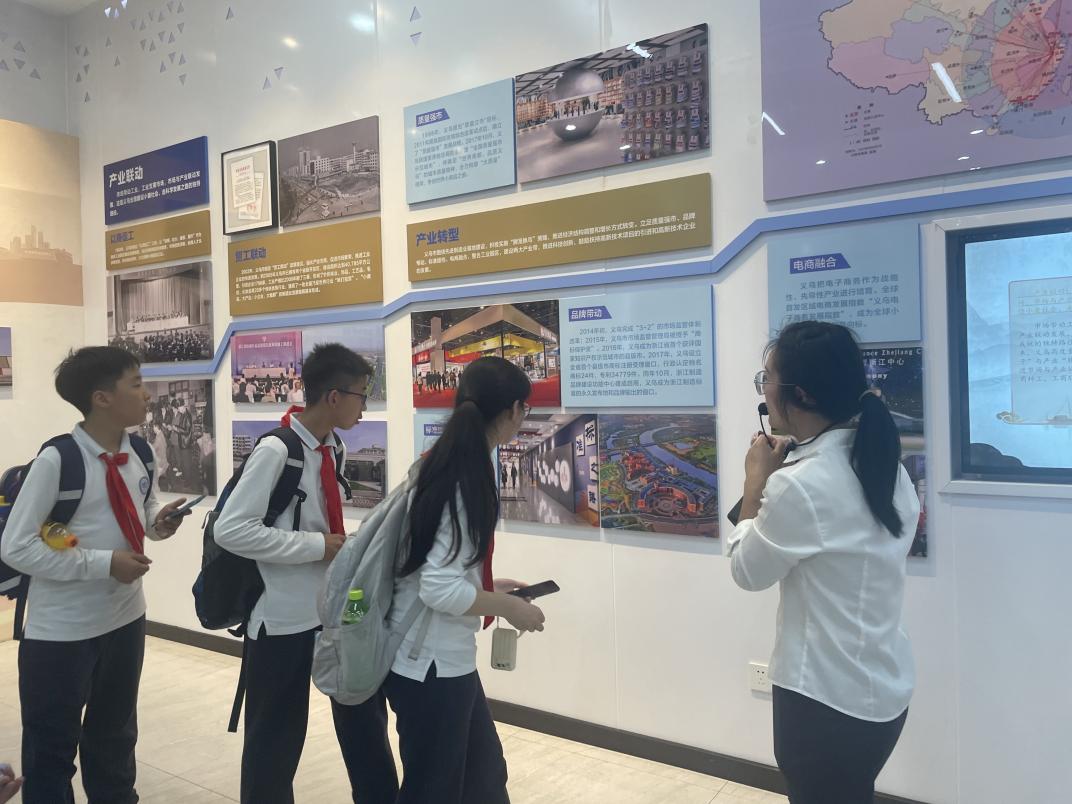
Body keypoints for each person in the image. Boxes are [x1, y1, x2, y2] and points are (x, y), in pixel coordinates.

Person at [726, 321, 920, 804]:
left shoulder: (800, 484)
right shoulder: (883, 465)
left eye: (767, 379)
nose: (763, 390)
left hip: (823, 703)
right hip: (882, 690)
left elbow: (746, 571)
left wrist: (755, 485)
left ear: (801, 394)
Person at [1, 346, 191, 803]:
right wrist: (105, 563)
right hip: (62, 632)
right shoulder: (57, 460)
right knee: (51, 751)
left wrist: (157, 522)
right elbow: (17, 547)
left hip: (125, 620)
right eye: (137, 384)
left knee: (115, 740)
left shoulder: (140, 451)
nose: (147, 395)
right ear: (101, 398)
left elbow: (140, 506)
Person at [213, 343, 397, 804]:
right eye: (361, 395)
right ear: (334, 397)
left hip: (334, 612)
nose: (364, 406)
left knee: (365, 724)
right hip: (281, 619)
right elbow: (230, 530)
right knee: (274, 741)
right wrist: (317, 546)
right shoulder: (278, 450)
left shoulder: (332, 448)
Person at [384, 356, 547, 804]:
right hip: (429, 665)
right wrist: (510, 608)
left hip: (440, 661)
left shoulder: (447, 463)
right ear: (513, 410)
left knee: (484, 779)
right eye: (526, 409)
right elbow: (439, 588)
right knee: (436, 789)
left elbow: (441, 569)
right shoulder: (462, 478)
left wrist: (492, 589)